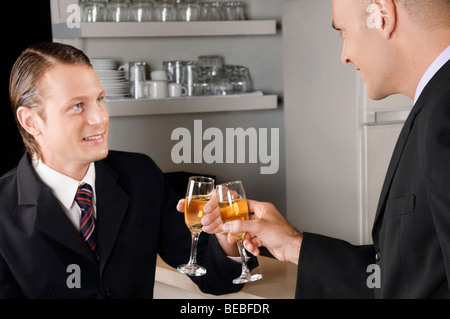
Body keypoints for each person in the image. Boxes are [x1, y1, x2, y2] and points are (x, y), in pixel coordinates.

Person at [212, 0, 450, 298]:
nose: (345, 56)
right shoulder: (434, 105)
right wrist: (293, 245)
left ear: (383, 16)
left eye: (343, 32)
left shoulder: (444, 114)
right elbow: (406, 276)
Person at [0, 42, 256, 298]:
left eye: (99, 99)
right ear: (31, 121)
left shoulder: (141, 176)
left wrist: (227, 239)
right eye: (77, 106)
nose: (100, 118)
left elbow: (214, 277)